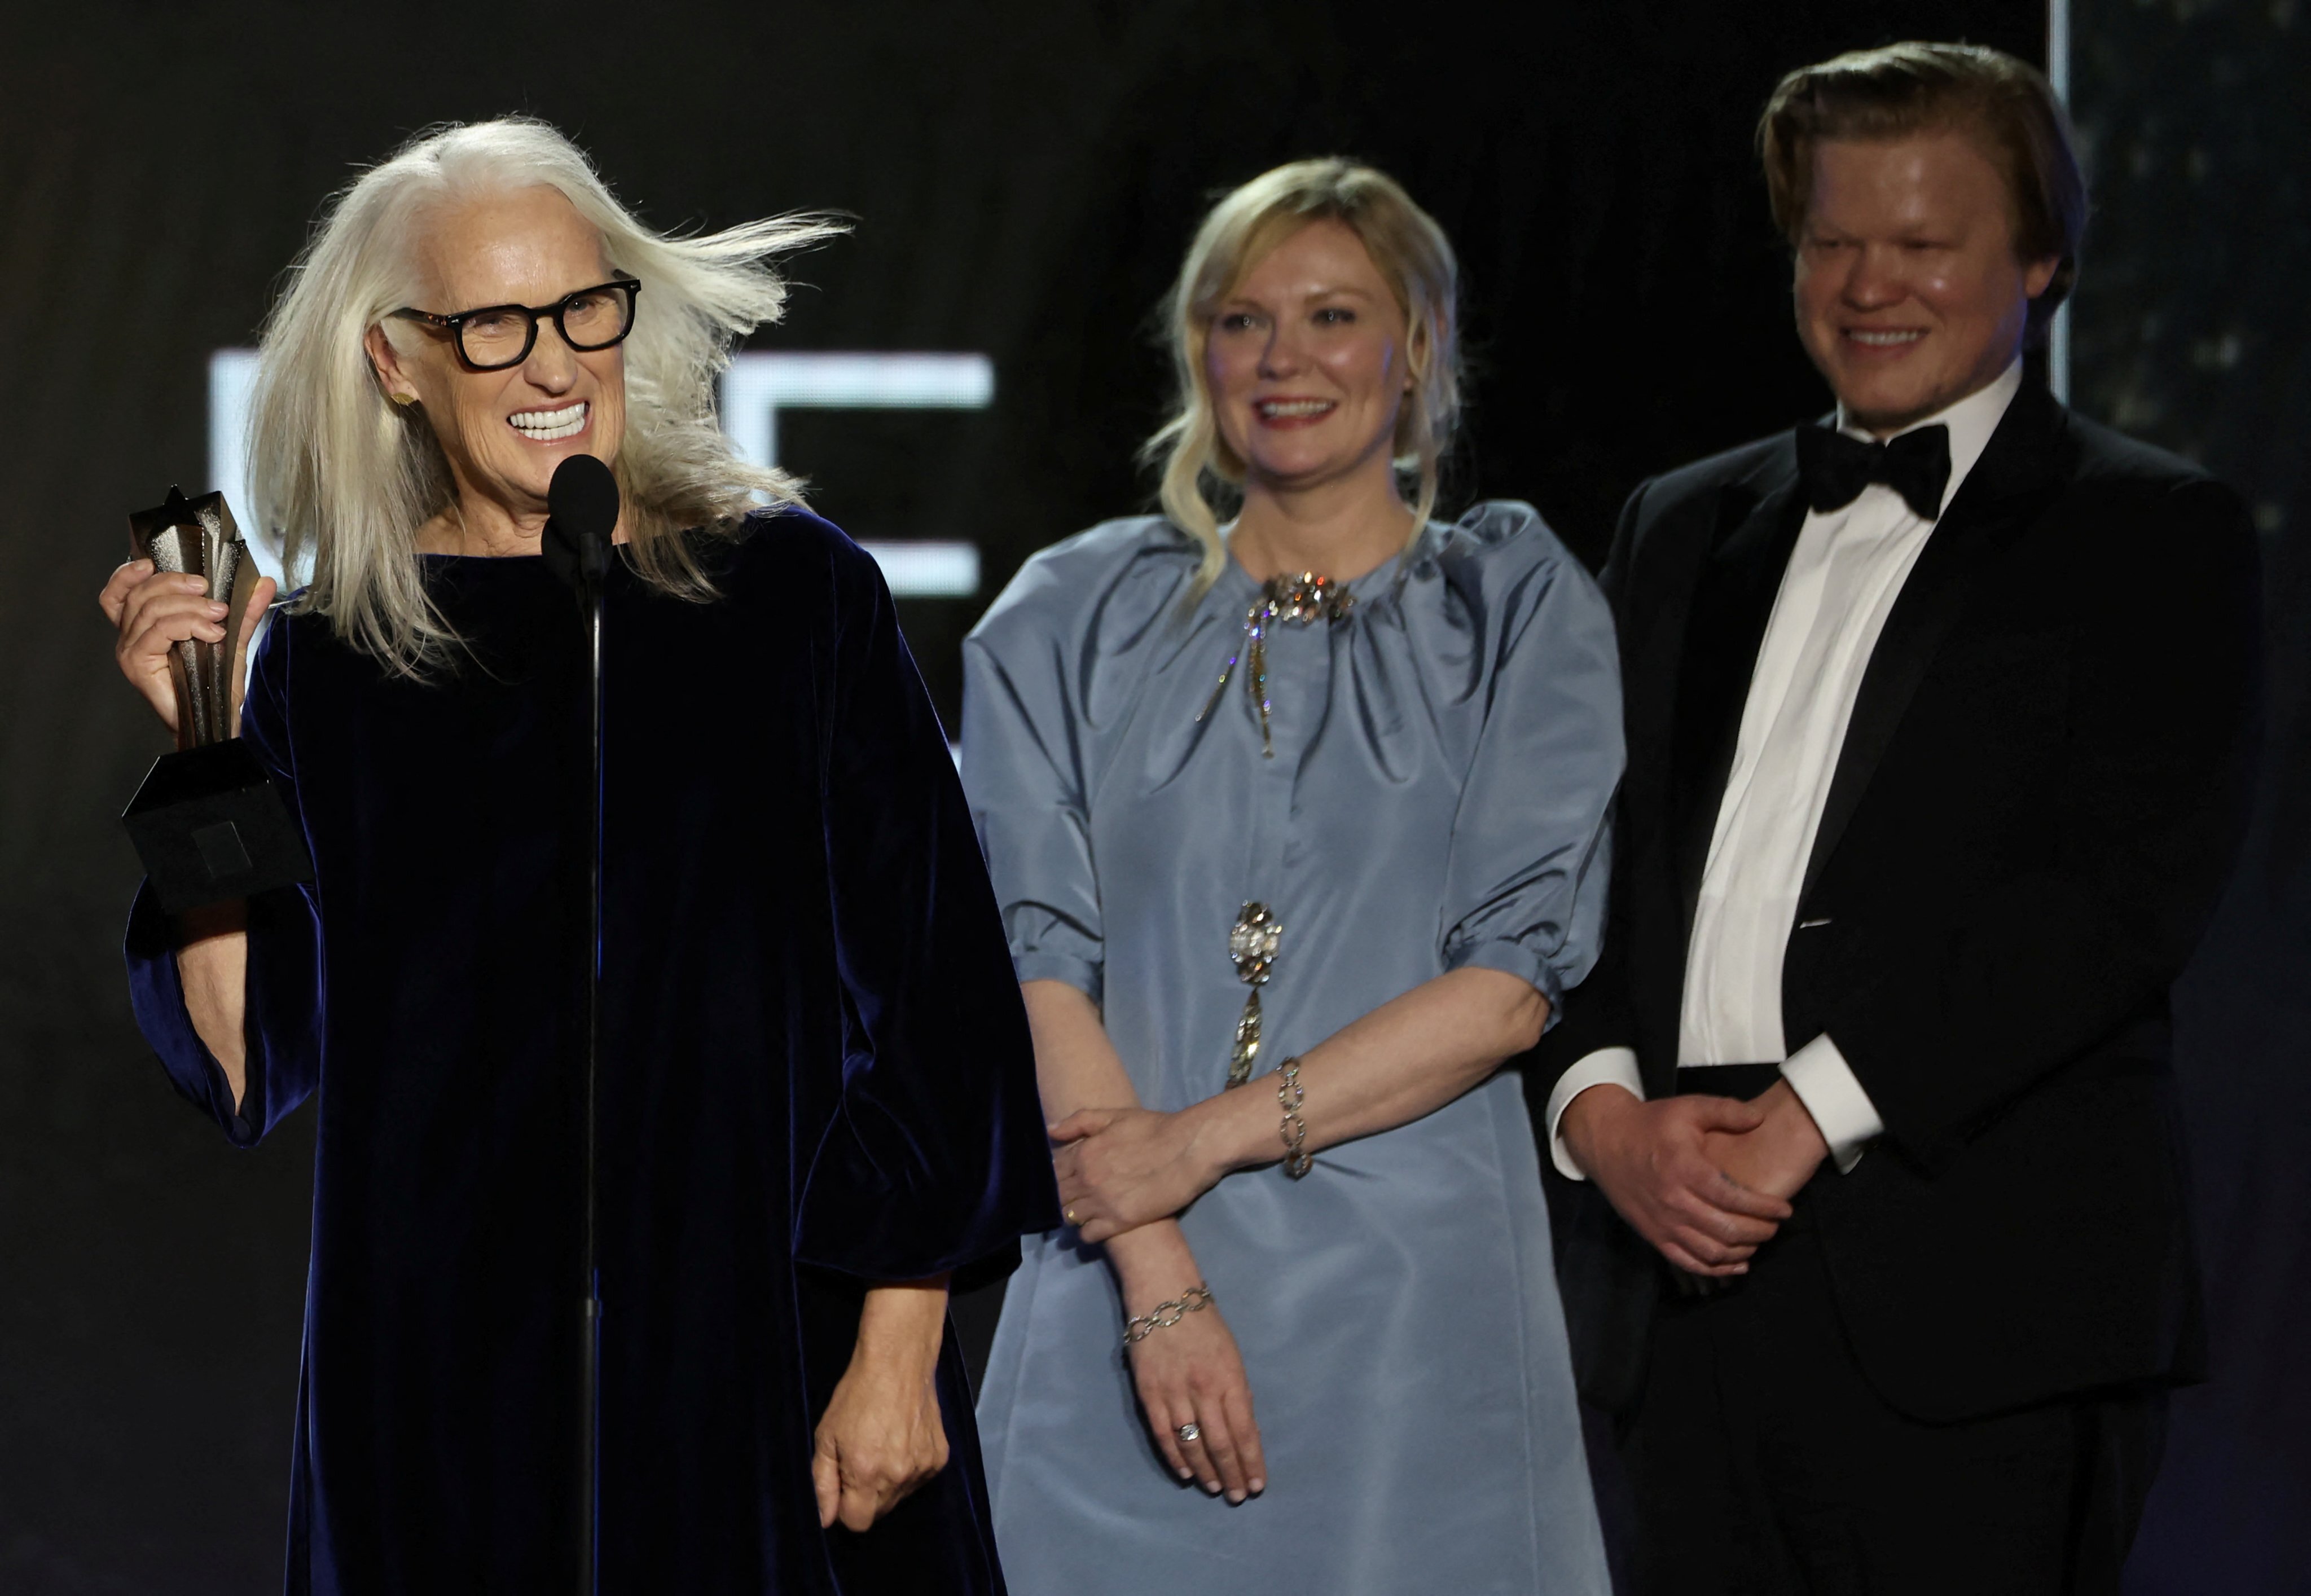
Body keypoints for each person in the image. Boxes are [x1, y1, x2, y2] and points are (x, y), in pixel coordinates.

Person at [99, 118, 1057, 1594]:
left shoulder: (792, 595)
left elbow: (943, 1002)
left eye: (583, 306)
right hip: (436, 1416)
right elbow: (245, 1060)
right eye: (494, 325)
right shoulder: (330, 656)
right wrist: (203, 750)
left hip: (769, 1384)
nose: (556, 365)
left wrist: (900, 1342)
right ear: (395, 359)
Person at [1535, 43, 2261, 1594]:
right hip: (1676, 1279)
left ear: (2043, 260)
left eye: (1923, 243)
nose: (1868, 283)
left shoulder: (2155, 533)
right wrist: (1602, 1110)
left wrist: (1815, 1107)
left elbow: (2117, 901)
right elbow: (1581, 852)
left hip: (1975, 1284)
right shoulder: (1680, 521)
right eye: (1832, 238)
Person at [962, 159, 1619, 1594]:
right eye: (1240, 319)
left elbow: (1510, 988)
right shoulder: (1071, 614)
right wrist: (1155, 1267)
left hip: (1409, 1311)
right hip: (1112, 1277)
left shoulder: (1506, 605)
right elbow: (1028, 957)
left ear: (1415, 348)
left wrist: (1196, 1141)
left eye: (1330, 314)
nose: (1281, 359)